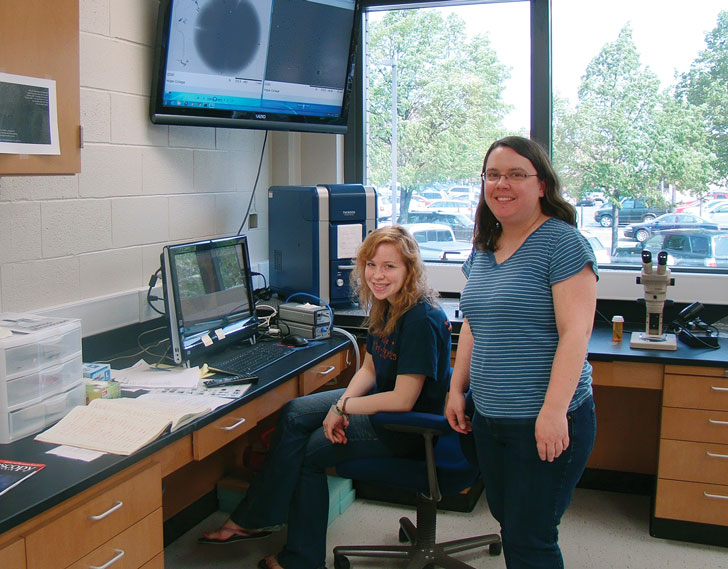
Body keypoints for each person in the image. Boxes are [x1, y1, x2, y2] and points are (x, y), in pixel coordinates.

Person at [200, 225, 453, 569]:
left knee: (309, 453)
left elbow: (403, 400)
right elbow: (369, 370)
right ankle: (258, 517)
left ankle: (300, 560)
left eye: (390, 267)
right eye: (372, 265)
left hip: (405, 428)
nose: (378, 275)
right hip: (382, 405)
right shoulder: (386, 305)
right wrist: (340, 404)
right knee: (293, 412)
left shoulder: (421, 318)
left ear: (409, 270)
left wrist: (342, 407)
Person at [445, 136, 598, 569]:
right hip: (490, 418)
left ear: (542, 185)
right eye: (493, 175)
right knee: (510, 522)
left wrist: (553, 412)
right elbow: (473, 322)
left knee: (530, 539)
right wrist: (458, 388)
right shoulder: (483, 247)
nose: (502, 184)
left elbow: (575, 335)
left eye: (516, 174)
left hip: (546, 419)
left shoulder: (562, 244)